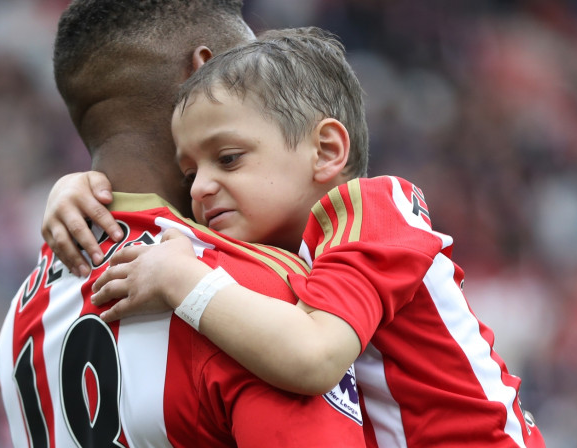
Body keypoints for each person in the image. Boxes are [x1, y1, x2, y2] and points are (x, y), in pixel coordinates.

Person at [45, 27, 546, 447]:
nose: (199, 188)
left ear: (326, 151)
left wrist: (182, 281)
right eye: (188, 171)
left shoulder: (372, 211)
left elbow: (313, 358)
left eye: (228, 159)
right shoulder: (280, 237)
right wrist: (78, 189)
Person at [0, 0, 366, 448]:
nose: (275, 95)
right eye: (252, 71)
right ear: (205, 72)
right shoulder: (243, 291)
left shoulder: (21, 315)